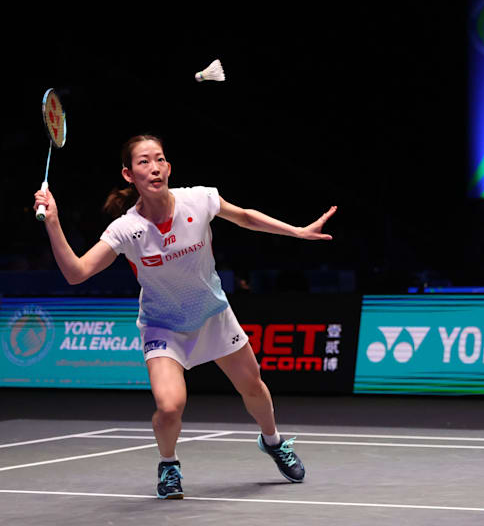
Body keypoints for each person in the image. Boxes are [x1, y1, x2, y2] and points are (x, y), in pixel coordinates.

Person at [33, 134, 336, 499]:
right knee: (169, 405)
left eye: (159, 159)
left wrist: (296, 231)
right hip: (163, 325)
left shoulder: (199, 198)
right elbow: (76, 272)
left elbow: (245, 218)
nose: (154, 167)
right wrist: (53, 222)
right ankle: (169, 465)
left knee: (253, 386)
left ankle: (272, 441)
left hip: (213, 314)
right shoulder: (126, 230)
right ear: (129, 175)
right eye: (144, 162)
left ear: (169, 167)